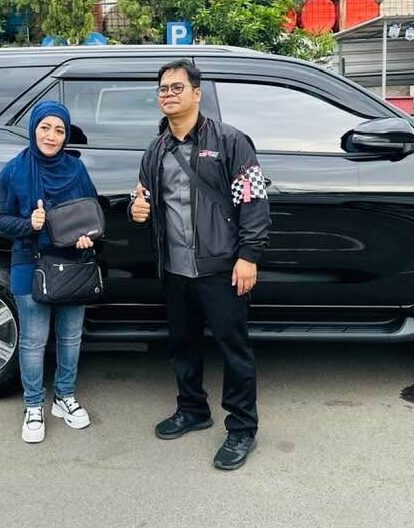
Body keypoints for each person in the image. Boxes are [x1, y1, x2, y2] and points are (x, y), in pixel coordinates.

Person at [130, 60, 271, 470]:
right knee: (182, 345)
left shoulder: (230, 141)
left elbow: (254, 201)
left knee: (234, 349)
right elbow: (142, 197)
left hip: (222, 267)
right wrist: (135, 209)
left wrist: (249, 256)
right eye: (163, 89)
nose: (168, 94)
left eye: (177, 87)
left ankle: (242, 428)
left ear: (197, 93)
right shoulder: (155, 150)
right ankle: (192, 409)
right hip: (175, 269)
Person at [0, 101, 97, 443]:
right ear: (33, 129)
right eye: (45, 128)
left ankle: (64, 397)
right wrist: (30, 224)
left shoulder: (76, 169)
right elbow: (0, 219)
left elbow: (90, 210)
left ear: (66, 135)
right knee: (34, 340)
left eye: (59, 130)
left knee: (70, 337)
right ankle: (34, 405)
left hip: (73, 263)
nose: (52, 136)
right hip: (30, 261)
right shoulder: (13, 171)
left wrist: (87, 236)